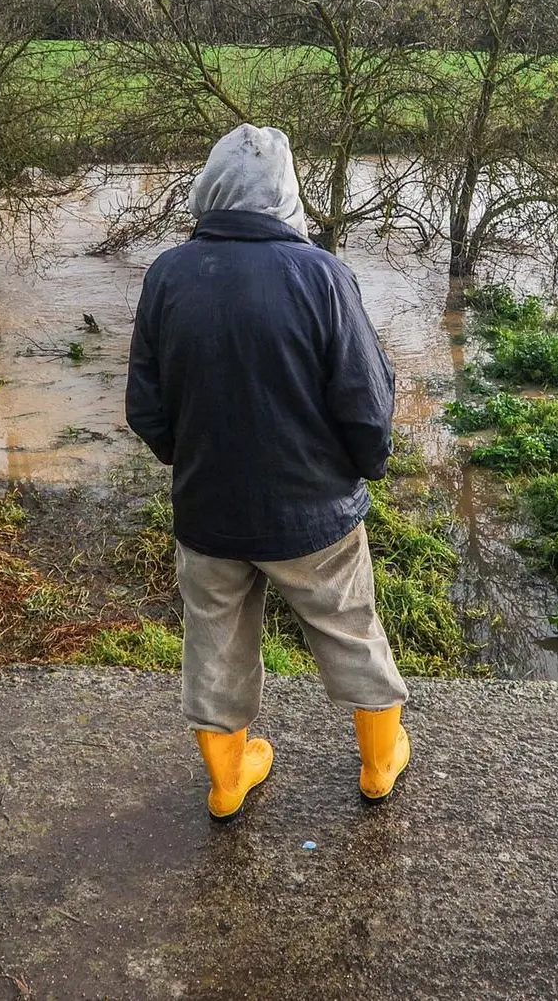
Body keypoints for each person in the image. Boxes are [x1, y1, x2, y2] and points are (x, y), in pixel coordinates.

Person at [126, 124, 411, 820]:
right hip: (313, 512)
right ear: (287, 193)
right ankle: (378, 764)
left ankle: (228, 782)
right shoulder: (321, 273)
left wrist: (190, 461)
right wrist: (359, 472)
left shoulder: (167, 272)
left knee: (214, 645)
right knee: (348, 629)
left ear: (209, 188)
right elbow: (367, 404)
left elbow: (145, 405)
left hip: (209, 510)